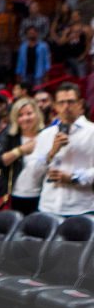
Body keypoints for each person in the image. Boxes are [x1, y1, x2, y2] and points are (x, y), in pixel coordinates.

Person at [31, 83, 94, 216]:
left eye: (71, 102)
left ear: (80, 104)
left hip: (81, 208)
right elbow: (34, 172)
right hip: (48, 206)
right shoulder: (46, 134)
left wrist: (74, 177)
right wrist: (52, 152)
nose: (66, 106)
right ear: (55, 106)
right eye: (61, 102)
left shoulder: (92, 132)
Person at [0, 97, 45, 215]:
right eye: (20, 115)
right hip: (15, 196)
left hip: (42, 196)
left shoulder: (47, 135)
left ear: (37, 114)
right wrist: (20, 150)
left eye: (29, 113)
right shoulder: (10, 137)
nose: (25, 118)